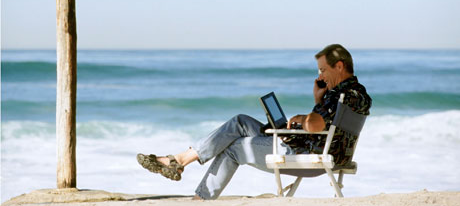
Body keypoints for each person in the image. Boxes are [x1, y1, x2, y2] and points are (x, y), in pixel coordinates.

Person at [137, 44, 372, 200]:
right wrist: (317, 101)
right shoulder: (358, 94)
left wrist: (302, 118)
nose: (320, 76)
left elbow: (316, 125)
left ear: (339, 66)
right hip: (322, 150)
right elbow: (329, 126)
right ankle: (179, 160)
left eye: (323, 70)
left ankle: (200, 198)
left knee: (235, 148)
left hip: (307, 154)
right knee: (240, 121)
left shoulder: (341, 95)